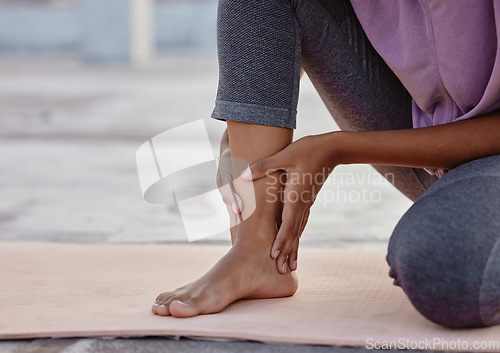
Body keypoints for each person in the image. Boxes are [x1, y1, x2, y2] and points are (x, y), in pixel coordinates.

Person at [152, 0, 500, 328]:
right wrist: (244, 135)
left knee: (445, 267)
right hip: (426, 132)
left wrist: (338, 147)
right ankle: (256, 252)